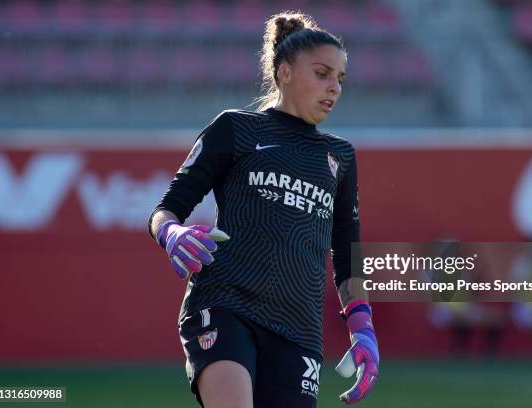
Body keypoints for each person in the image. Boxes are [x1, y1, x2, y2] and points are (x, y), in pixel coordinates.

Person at [148, 12, 379, 408]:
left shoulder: (340, 156)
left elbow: (346, 255)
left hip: (299, 329)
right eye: (322, 73)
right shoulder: (237, 129)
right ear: (284, 73)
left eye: (340, 78)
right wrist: (173, 234)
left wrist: (363, 328)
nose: (334, 88)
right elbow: (165, 209)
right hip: (225, 304)